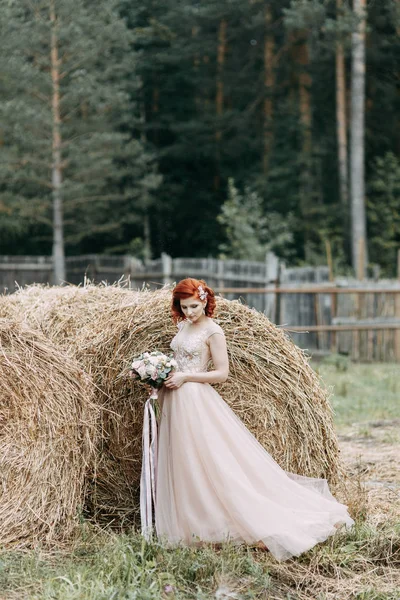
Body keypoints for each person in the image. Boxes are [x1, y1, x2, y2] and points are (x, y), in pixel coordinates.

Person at [154, 278, 354, 561]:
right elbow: (179, 358)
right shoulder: (183, 326)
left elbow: (222, 373)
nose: (189, 312)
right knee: (183, 461)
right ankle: (192, 523)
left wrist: (187, 376)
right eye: (184, 307)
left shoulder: (213, 331)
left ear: (205, 301)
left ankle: (230, 519)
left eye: (194, 306)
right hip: (175, 400)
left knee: (209, 460)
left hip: (196, 399)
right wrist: (160, 373)